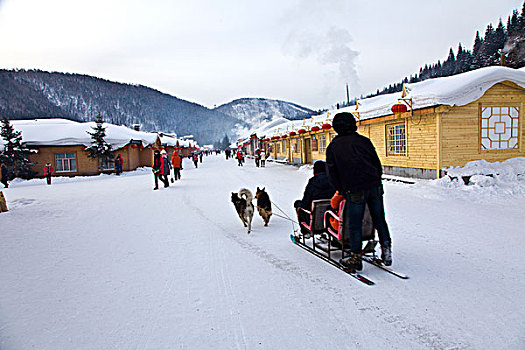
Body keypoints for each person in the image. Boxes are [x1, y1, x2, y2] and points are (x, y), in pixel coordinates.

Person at [326, 112, 392, 270]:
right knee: (379, 219)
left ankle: (356, 258)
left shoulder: (334, 146)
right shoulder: (364, 141)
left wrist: (341, 189)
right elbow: (377, 164)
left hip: (354, 188)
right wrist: (376, 180)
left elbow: (332, 173)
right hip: (374, 185)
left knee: (355, 223)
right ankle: (386, 251)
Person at [294, 160, 336, 234]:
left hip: (314, 220)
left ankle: (306, 232)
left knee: (298, 205)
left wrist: (297, 204)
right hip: (330, 219)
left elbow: (305, 203)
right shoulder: (333, 181)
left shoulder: (313, 182)